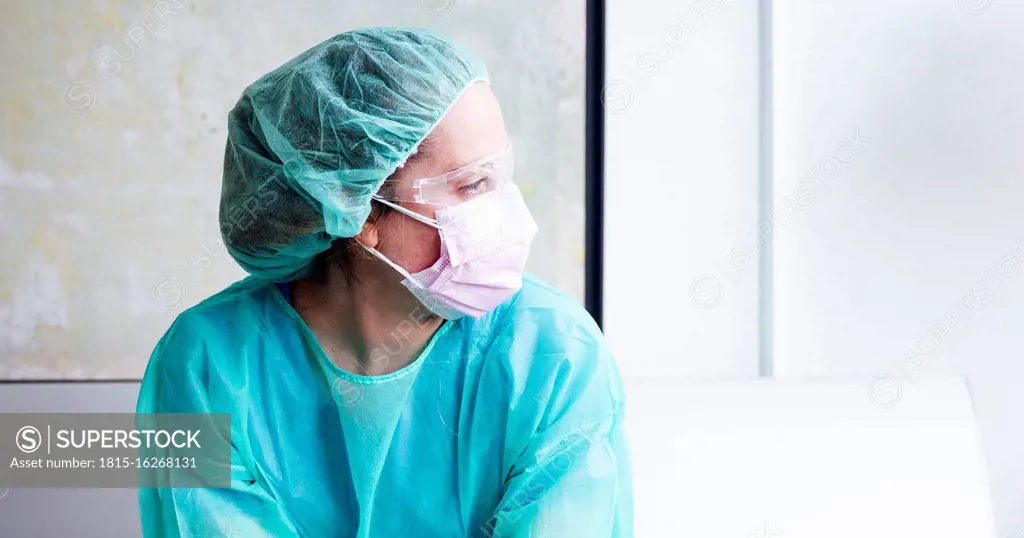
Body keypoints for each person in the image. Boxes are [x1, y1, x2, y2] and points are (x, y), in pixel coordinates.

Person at [137, 27, 633, 537]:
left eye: (499, 177)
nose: (504, 210)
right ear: (359, 207)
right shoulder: (204, 365)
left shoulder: (553, 356)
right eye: (471, 184)